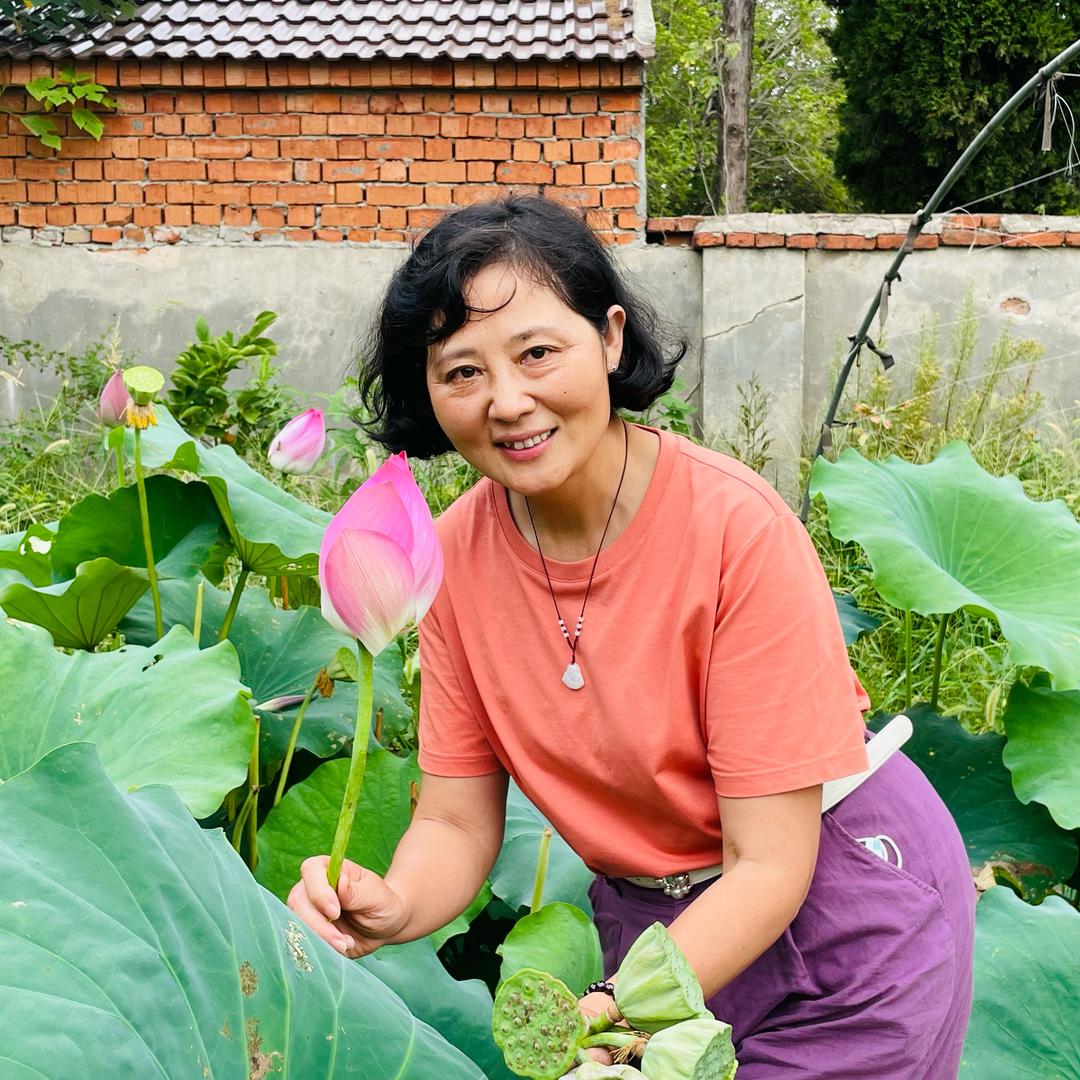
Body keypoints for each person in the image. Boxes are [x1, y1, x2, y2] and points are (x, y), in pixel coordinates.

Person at [288, 195, 976, 1078]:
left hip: (842, 911)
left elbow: (768, 865)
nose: (507, 401)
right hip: (654, 926)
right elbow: (457, 821)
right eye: (461, 371)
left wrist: (615, 1011)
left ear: (610, 338)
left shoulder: (737, 530)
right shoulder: (446, 559)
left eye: (538, 352)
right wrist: (395, 903)